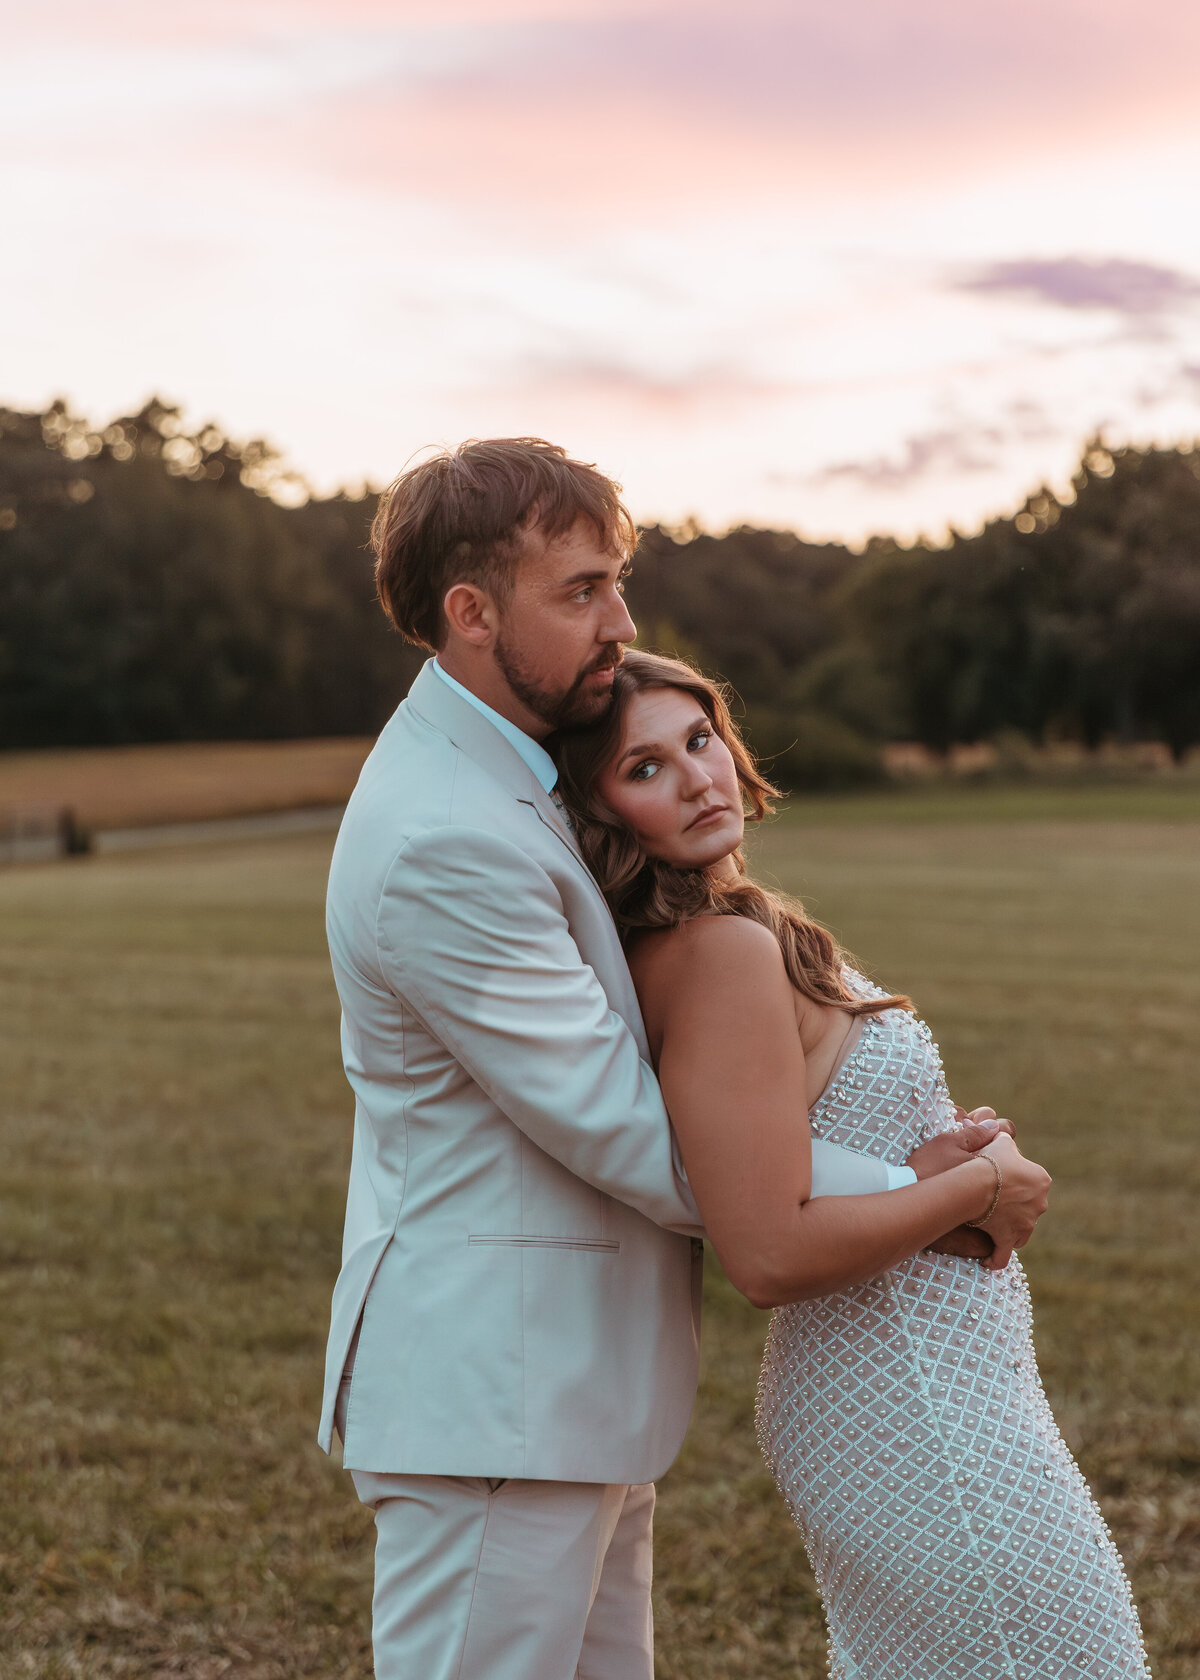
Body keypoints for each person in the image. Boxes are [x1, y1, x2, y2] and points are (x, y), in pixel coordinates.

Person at [319, 437, 1046, 1680]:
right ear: (471, 613)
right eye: (583, 590)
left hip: (567, 1396)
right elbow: (624, 1128)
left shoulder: (512, 781)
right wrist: (928, 1191)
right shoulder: (445, 835)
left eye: (619, 581)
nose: (622, 619)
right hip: (500, 1399)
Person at [552, 647, 1151, 1680]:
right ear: (601, 811)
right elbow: (768, 1250)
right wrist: (980, 1186)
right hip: (911, 1398)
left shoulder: (710, 937)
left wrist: (920, 1170)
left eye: (698, 740)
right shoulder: (716, 953)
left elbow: (779, 1158)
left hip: (915, 1386)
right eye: (643, 768)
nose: (697, 776)